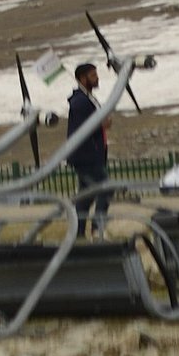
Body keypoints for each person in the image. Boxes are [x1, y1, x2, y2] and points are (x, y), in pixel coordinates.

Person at [66, 61, 110, 240]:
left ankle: (78, 234)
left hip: (92, 155)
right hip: (86, 156)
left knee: (85, 198)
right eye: (92, 75)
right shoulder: (80, 102)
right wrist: (101, 125)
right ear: (82, 79)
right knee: (105, 189)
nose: (97, 78)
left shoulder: (88, 99)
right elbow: (81, 130)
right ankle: (97, 230)